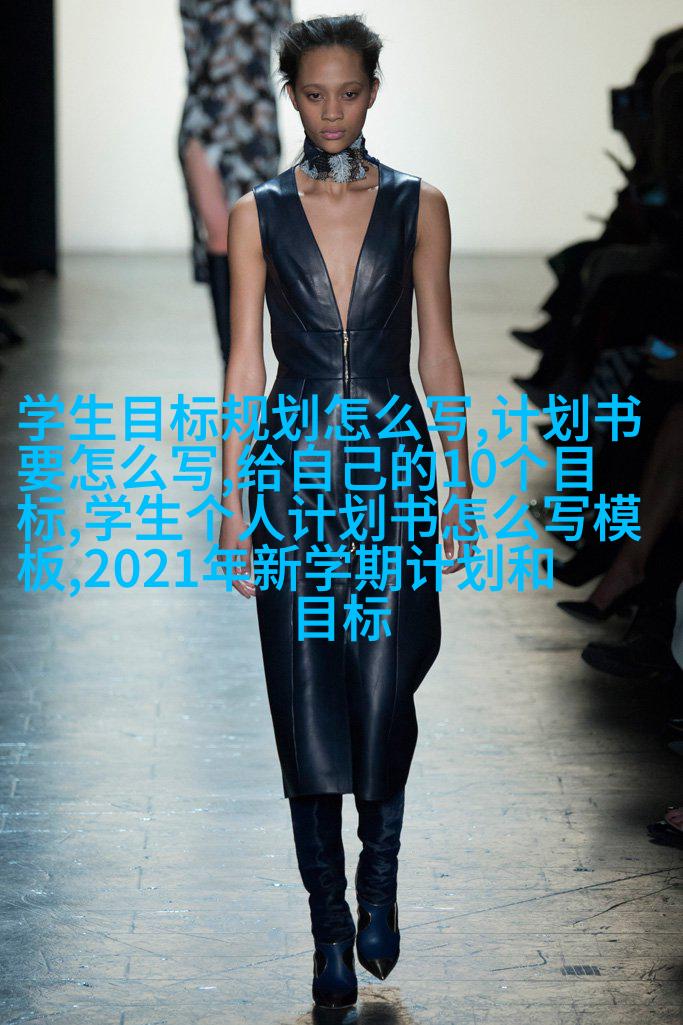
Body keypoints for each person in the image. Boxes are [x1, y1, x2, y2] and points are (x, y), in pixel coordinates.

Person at [219, 14, 475, 1010]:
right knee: (303, 701)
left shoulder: (420, 204)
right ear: (291, 94)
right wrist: (233, 500)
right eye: (314, 93)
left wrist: (457, 480)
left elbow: (437, 350)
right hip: (290, 475)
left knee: (382, 685)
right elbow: (245, 367)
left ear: (373, 91)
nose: (332, 111)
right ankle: (328, 923)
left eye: (349, 92)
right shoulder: (256, 213)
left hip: (393, 471)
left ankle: (381, 869)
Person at [177, 0, 292, 366]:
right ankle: (233, 367)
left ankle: (245, 362)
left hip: (255, 122)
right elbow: (194, 53)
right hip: (205, 119)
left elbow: (291, 50)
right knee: (219, 236)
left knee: (249, 240)